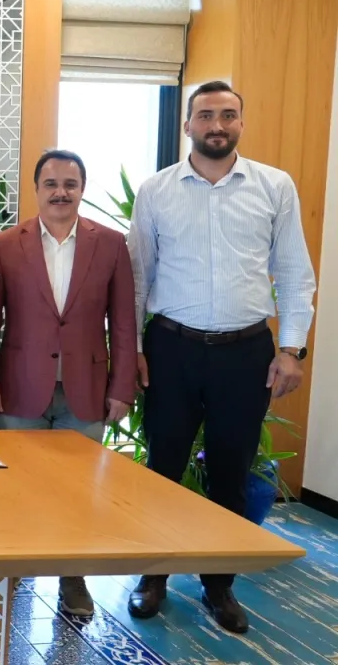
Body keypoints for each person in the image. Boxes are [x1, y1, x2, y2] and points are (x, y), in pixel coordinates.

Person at [126, 81, 316, 633]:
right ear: (188, 124)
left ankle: (218, 585)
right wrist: (133, 349)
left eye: (228, 115)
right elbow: (138, 276)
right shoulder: (156, 190)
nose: (217, 125)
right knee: (162, 469)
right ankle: (154, 577)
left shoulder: (274, 186)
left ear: (241, 123)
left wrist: (291, 349)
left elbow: (294, 271)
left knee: (230, 472)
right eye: (206, 115)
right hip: (172, 349)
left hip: (245, 354)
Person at [0, 149, 137, 616]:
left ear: (82, 189)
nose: (60, 192)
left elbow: (124, 323)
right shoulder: (5, 244)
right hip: (19, 387)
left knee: (78, 491)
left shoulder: (110, 244)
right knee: (18, 486)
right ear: (36, 189)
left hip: (86, 389)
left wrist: (122, 387)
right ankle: (14, 569)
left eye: (70, 184)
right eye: (51, 183)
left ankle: (73, 578)